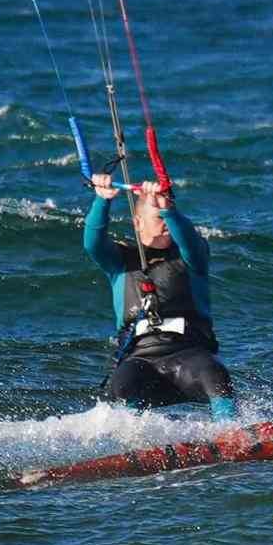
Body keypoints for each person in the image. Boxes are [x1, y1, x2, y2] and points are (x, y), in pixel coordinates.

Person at [84, 173, 237, 420]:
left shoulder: (192, 256)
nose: (165, 223)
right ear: (137, 222)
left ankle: (231, 429)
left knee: (215, 373)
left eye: (167, 217)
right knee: (122, 383)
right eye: (158, 218)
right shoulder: (119, 261)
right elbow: (93, 243)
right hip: (141, 359)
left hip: (188, 355)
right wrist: (102, 201)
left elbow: (188, 237)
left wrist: (168, 211)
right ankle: (132, 441)